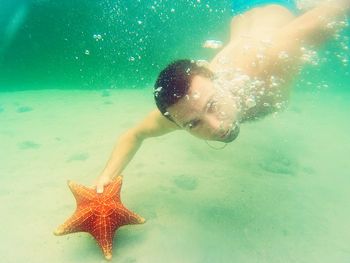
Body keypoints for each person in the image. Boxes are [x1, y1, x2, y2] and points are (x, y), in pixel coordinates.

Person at [94, 0, 349, 193]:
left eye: (212, 105)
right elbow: (135, 134)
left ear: (218, 81)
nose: (217, 127)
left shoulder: (277, 53)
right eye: (193, 124)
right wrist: (106, 177)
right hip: (241, 8)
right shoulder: (182, 109)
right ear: (178, 122)